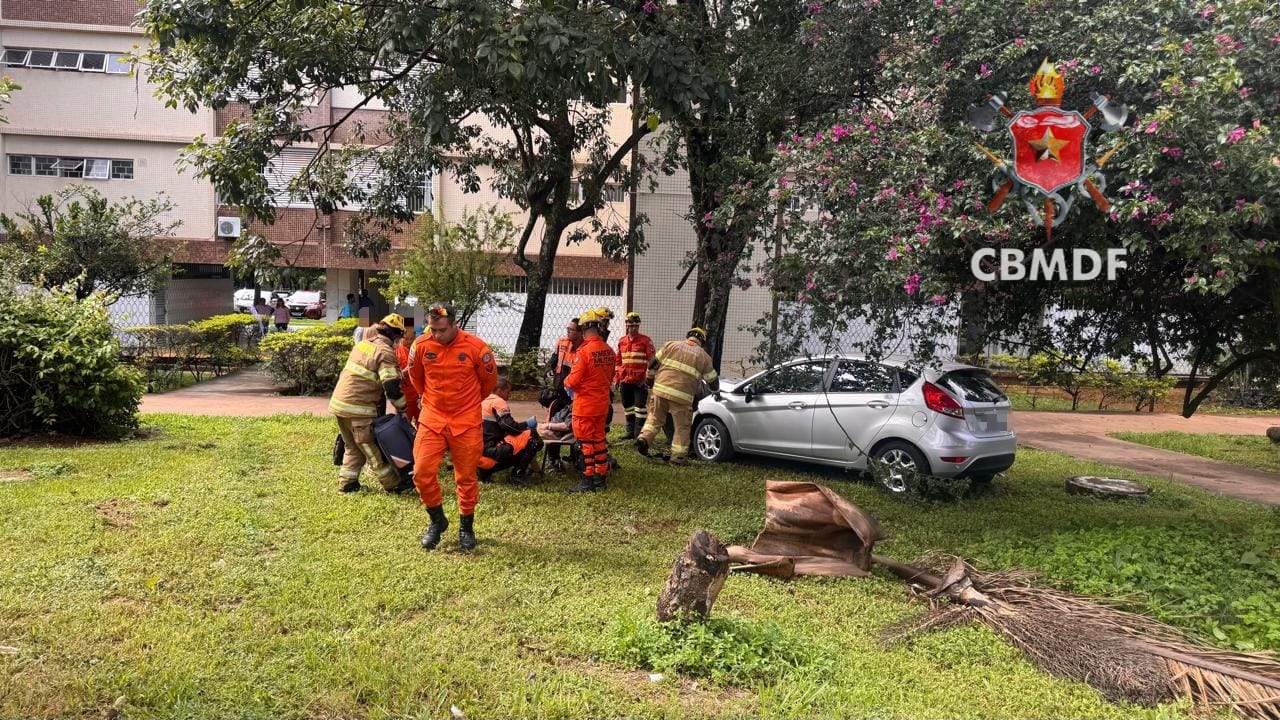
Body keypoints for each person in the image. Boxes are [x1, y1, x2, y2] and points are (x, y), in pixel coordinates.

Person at [407, 301, 498, 551]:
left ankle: (466, 526)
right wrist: (430, 400)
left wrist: (468, 403)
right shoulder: (421, 346)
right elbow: (416, 377)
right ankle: (437, 520)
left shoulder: (476, 348)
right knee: (421, 473)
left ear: (455, 325)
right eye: (432, 329)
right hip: (432, 419)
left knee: (466, 477)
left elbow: (488, 382)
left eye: (441, 330)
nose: (436, 334)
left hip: (466, 422)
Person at [328, 313, 412, 492]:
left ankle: (348, 483)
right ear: (396, 335)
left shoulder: (364, 345)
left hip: (340, 404)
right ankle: (393, 484)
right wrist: (402, 408)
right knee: (371, 450)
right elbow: (391, 387)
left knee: (353, 446)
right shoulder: (385, 352)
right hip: (359, 409)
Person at [636, 327, 719, 465]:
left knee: (655, 418)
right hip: (682, 397)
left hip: (660, 390)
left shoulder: (670, 345)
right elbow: (712, 379)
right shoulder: (704, 356)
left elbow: (652, 364)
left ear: (688, 336)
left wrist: (649, 381)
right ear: (702, 342)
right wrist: (716, 391)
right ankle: (678, 458)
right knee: (682, 427)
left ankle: (644, 438)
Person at [564, 309, 616, 493]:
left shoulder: (584, 352)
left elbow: (573, 380)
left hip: (585, 406)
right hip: (602, 405)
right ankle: (600, 479)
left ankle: (587, 482)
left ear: (585, 329)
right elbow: (610, 378)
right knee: (599, 441)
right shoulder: (609, 351)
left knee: (586, 444)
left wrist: (566, 382)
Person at [478, 376, 542, 486]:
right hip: (492, 452)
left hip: (477, 454)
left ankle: (484, 473)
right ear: (499, 390)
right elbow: (511, 427)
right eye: (508, 392)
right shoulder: (498, 401)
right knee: (533, 438)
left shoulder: (482, 401)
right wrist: (527, 424)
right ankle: (517, 475)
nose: (509, 395)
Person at [614, 311, 655, 439]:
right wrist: (617, 379)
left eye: (635, 326)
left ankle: (639, 434)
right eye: (630, 326)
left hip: (639, 381)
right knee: (628, 407)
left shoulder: (645, 341)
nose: (633, 329)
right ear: (627, 326)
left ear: (639, 326)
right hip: (625, 380)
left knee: (640, 408)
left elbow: (652, 361)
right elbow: (618, 362)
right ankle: (630, 432)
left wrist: (648, 379)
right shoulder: (622, 341)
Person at [394, 327, 420, 422]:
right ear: (401, 338)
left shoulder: (418, 349)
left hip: (418, 395)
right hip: (404, 397)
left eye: (412, 339)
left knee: (421, 423)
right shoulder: (395, 351)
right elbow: (393, 374)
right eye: (406, 339)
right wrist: (405, 371)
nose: (409, 342)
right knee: (404, 424)